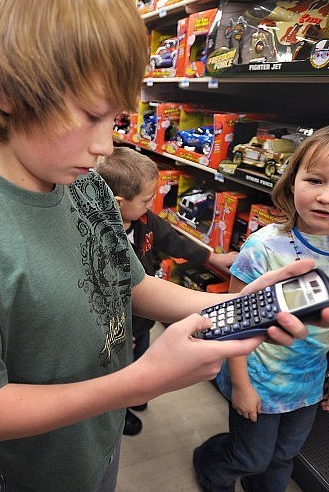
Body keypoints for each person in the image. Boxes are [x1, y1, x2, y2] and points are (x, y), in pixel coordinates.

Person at [0, 0, 329, 491]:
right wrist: (140, 381)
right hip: (47, 470)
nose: (103, 146)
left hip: (102, 434)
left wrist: (231, 305)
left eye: (113, 120)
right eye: (90, 116)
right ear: (8, 93)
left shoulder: (85, 183)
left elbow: (129, 285)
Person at [193, 122, 329, 492]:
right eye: (315, 180)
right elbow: (234, 318)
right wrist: (240, 385)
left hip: (307, 380)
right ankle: (210, 463)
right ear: (293, 179)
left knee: (284, 454)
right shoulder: (264, 247)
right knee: (250, 456)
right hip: (257, 375)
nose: (327, 197)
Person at [95, 146, 238, 436]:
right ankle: (119, 411)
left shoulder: (144, 220)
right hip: (116, 325)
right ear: (119, 203)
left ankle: (135, 391)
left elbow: (172, 239)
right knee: (119, 371)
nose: (151, 205)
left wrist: (211, 257)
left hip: (144, 317)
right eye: (147, 200)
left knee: (142, 356)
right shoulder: (101, 238)